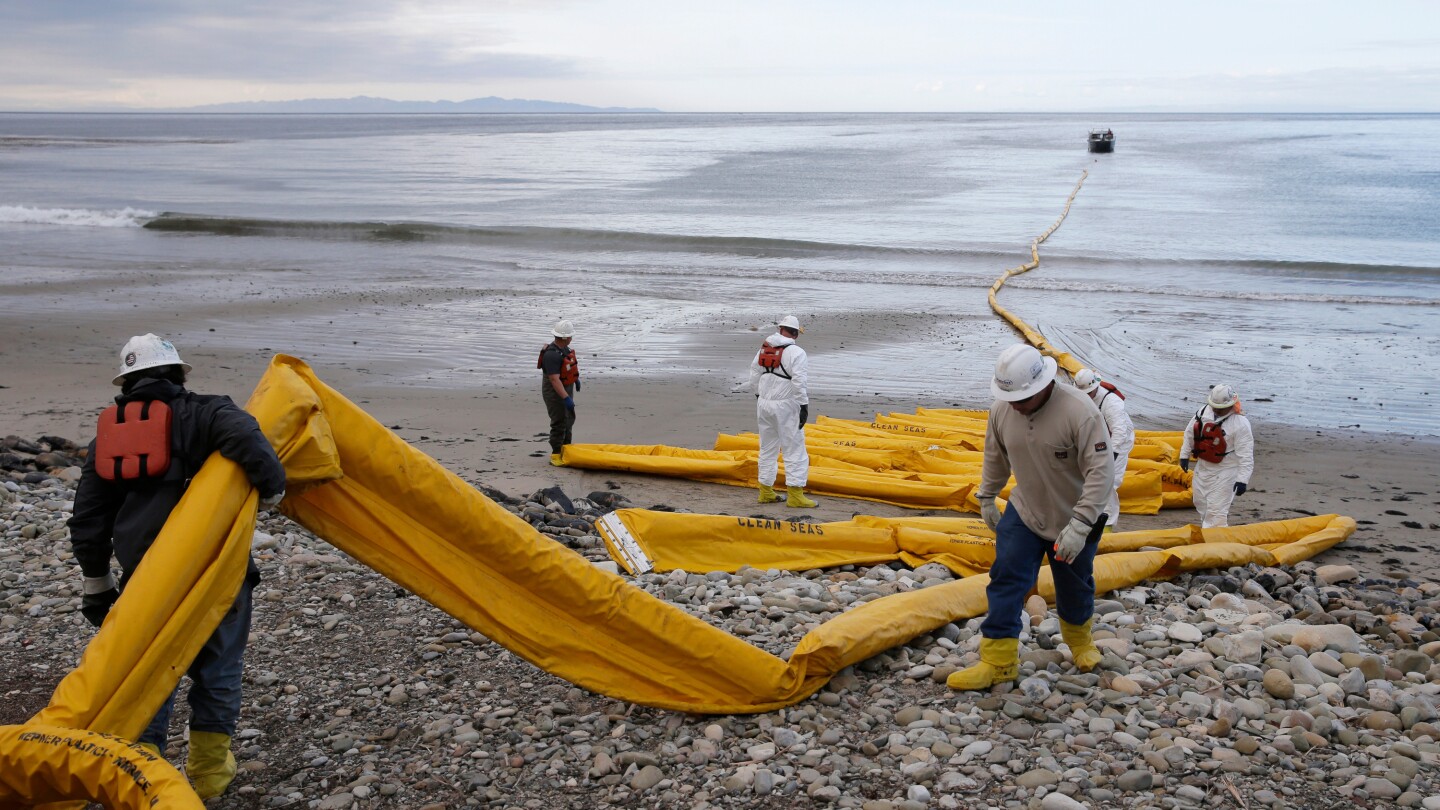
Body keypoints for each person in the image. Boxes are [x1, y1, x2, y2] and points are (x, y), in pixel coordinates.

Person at [67, 333, 286, 799]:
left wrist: (97, 584)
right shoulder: (208, 412)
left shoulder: (109, 437)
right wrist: (272, 491)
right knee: (219, 668)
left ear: (126, 382)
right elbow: (251, 441)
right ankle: (208, 776)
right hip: (219, 571)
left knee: (148, 670)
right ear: (179, 373)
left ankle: (145, 775)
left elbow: (88, 518)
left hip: (146, 577)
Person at [949, 344, 1113, 691]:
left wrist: (1081, 524)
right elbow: (996, 456)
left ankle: (1081, 642)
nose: (1016, 405)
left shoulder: (1080, 412)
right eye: (1011, 398)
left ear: (1044, 386)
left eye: (1023, 398)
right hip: (1025, 510)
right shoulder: (1002, 410)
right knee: (1006, 577)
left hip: (1075, 517)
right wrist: (987, 495)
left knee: (1074, 583)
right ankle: (998, 661)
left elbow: (1101, 472)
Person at [747, 315, 815, 508]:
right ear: (795, 333)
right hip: (786, 405)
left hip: (764, 404)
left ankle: (766, 492)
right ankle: (795, 495)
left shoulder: (764, 347)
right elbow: (799, 382)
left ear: (780, 329)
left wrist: (759, 396)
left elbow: (754, 375)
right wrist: (803, 406)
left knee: (767, 449)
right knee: (794, 449)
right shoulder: (797, 352)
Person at [1179, 383, 1254, 528]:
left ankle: (1215, 540)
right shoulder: (1203, 413)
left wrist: (1242, 480)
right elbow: (1189, 433)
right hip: (1204, 466)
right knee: (1200, 502)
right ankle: (1208, 531)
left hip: (1226, 470)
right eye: (1214, 406)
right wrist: (1184, 455)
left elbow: (1246, 455)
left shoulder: (1240, 424)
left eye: (1220, 408)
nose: (1216, 410)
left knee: (1216, 510)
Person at [1072, 368, 1135, 530]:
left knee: (1109, 482)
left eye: (1088, 393)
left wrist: (1111, 454)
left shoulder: (1111, 402)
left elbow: (1120, 431)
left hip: (1118, 442)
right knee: (1085, 478)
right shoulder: (1079, 396)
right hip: (1098, 437)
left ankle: (1107, 524)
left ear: (1095, 388)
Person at [539, 319, 579, 466]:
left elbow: (569, 368)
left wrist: (576, 380)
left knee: (569, 419)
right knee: (559, 421)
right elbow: (554, 380)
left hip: (566, 388)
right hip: (555, 392)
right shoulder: (551, 355)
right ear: (565, 337)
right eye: (570, 336)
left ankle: (566, 449)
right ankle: (556, 454)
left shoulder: (565, 350)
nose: (571, 338)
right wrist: (565, 398)